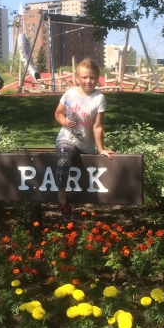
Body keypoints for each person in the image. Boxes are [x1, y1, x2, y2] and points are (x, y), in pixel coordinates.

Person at [54, 58, 114, 221]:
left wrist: (101, 149)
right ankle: (62, 199)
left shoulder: (99, 98)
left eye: (92, 77)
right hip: (66, 139)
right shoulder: (70, 94)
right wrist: (65, 122)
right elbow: (58, 113)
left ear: (98, 78)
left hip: (86, 145)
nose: (88, 81)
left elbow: (98, 126)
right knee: (64, 155)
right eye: (85, 77)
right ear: (78, 78)